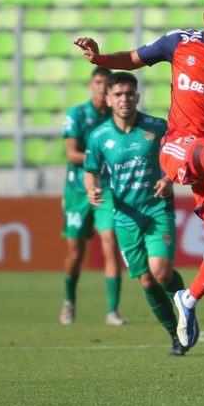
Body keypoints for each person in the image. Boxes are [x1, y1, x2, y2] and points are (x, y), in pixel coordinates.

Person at [73, 0, 204, 350]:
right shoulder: (178, 42)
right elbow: (133, 59)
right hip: (179, 146)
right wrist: (99, 56)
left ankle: (189, 299)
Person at [83, 72, 192, 356]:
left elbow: (178, 157)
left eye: (129, 94)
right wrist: (92, 189)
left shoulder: (157, 128)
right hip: (125, 217)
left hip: (157, 210)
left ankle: (187, 310)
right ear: (108, 99)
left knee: (161, 272)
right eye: (118, 94)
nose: (124, 99)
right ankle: (175, 334)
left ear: (137, 97)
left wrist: (169, 179)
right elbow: (91, 172)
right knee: (146, 280)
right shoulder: (99, 137)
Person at [60, 66, 125, 327]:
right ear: (91, 84)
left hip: (107, 189)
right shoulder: (76, 114)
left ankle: (112, 310)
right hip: (78, 189)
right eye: (97, 82)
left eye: (105, 83)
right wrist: (100, 158)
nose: (101, 87)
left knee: (109, 241)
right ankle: (69, 300)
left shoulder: (117, 117)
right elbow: (71, 153)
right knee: (76, 254)